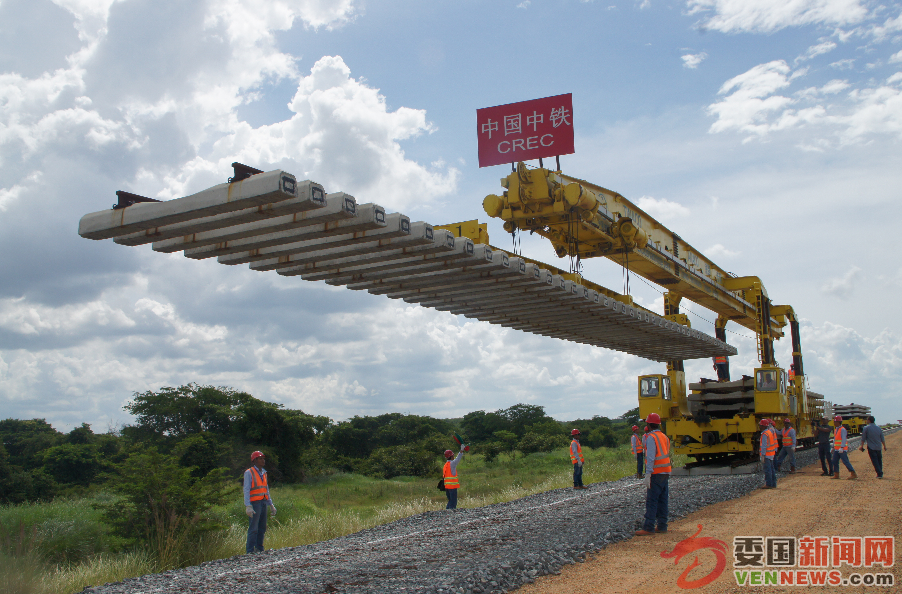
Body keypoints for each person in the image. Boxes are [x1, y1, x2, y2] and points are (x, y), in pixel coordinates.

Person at [635, 413, 671, 536]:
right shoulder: (664, 437)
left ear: (649, 424)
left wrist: (648, 474)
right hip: (665, 471)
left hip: (656, 473)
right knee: (663, 500)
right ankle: (662, 526)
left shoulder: (651, 437)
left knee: (652, 500)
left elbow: (650, 457)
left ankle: (649, 527)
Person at [244, 450, 276, 554]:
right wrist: (248, 506)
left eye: (263, 458)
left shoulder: (264, 473)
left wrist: (270, 504)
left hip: (263, 502)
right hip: (255, 503)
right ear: (255, 460)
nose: (263, 460)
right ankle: (250, 551)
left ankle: (259, 549)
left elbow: (266, 489)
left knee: (262, 527)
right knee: (253, 528)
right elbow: (246, 489)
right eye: (260, 458)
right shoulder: (249, 472)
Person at [831, 415, 858, 480]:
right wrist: (833, 447)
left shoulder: (842, 429)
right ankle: (836, 474)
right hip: (837, 449)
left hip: (842, 449)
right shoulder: (836, 429)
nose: (834, 423)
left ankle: (853, 473)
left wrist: (842, 447)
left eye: (835, 421)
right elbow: (835, 439)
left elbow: (844, 439)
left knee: (845, 461)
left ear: (838, 422)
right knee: (834, 461)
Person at [443, 445, 466, 509]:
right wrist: (461, 450)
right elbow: (458, 458)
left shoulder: (445, 465)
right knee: (453, 503)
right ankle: (451, 516)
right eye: (453, 455)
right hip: (452, 487)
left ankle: (446, 513)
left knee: (450, 501)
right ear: (451, 456)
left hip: (447, 487)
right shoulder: (452, 464)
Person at [759, 418, 778, 489]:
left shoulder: (764, 434)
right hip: (771, 454)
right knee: (772, 469)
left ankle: (769, 484)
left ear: (764, 426)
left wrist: (762, 455)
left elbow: (764, 446)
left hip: (767, 455)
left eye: (761, 425)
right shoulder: (770, 432)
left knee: (767, 470)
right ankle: (773, 484)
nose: (760, 426)